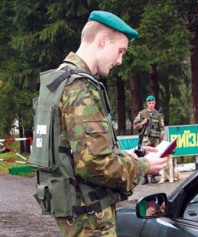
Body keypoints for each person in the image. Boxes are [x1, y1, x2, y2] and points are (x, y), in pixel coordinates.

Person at [35, 10, 168, 237]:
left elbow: (73, 151)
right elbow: (94, 164)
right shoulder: (80, 88)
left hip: (76, 212)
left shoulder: (58, 81)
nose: (120, 60)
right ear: (102, 41)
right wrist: (144, 166)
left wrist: (128, 155)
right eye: (120, 51)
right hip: (91, 217)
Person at [133, 95, 165, 184]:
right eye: (149, 103)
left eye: (153, 103)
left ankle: (153, 177)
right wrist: (143, 123)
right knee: (144, 157)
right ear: (147, 103)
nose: (151, 105)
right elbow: (135, 125)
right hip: (145, 139)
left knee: (154, 156)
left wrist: (161, 138)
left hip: (155, 139)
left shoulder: (158, 115)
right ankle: (145, 177)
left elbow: (162, 127)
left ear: (155, 103)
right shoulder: (142, 114)